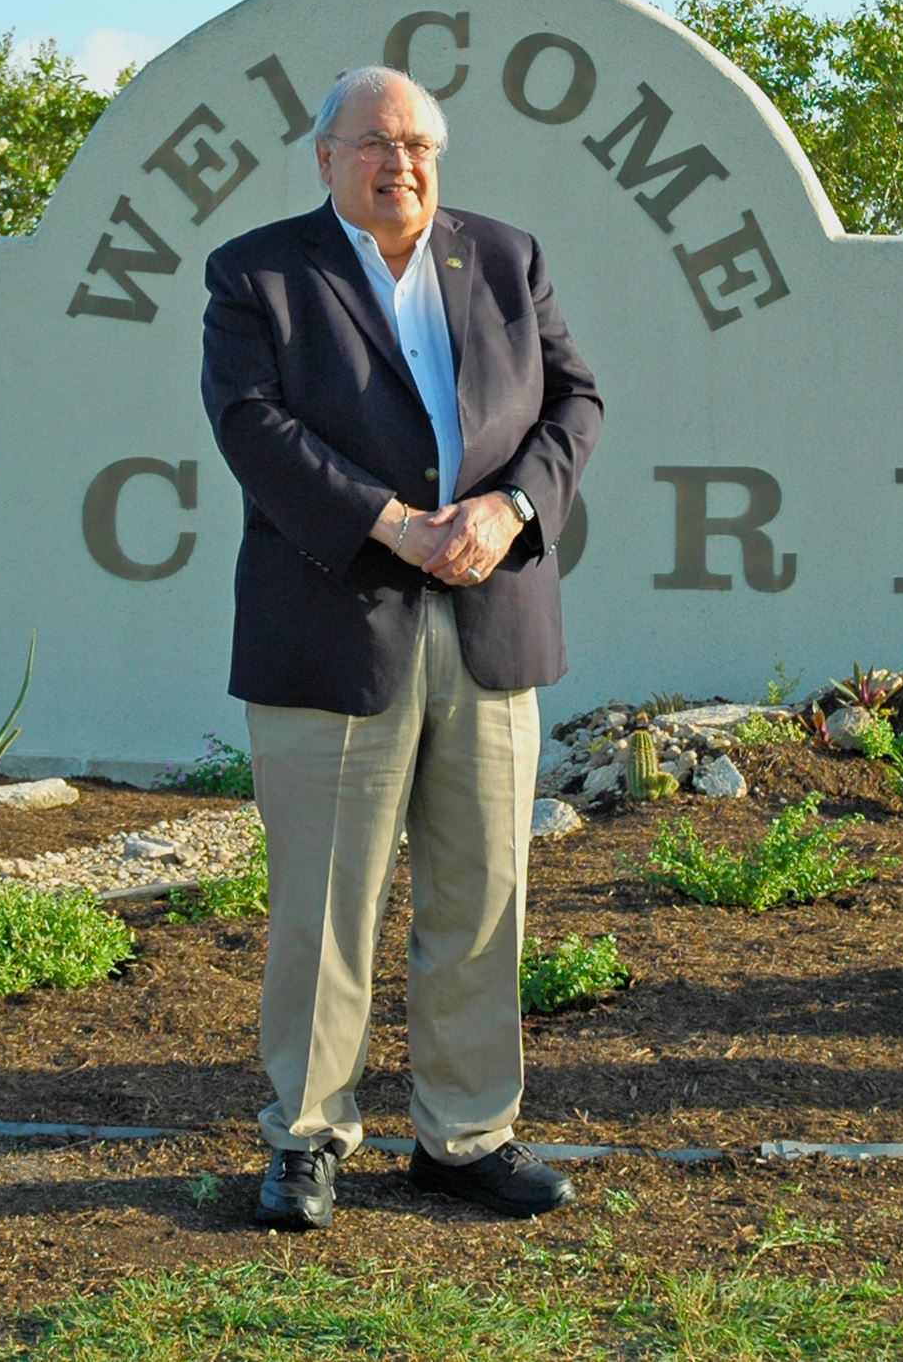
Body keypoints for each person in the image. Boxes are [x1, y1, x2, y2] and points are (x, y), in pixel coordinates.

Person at [199, 67, 603, 1228]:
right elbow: (250, 426)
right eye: (373, 142)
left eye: (418, 142)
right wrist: (388, 523)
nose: (400, 163)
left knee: (482, 894)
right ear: (323, 157)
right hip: (335, 622)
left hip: (490, 619)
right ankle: (307, 1139)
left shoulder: (507, 258)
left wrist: (507, 510)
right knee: (325, 905)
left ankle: (464, 1138)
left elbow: (573, 403)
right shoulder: (257, 273)